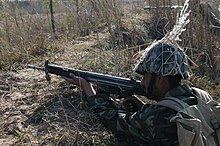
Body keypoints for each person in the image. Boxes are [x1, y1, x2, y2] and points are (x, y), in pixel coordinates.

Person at [64, 42, 213, 145]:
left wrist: (86, 86)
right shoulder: (200, 95)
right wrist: (143, 107)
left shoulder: (157, 116)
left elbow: (113, 120)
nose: (141, 82)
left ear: (160, 78)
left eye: (145, 76)